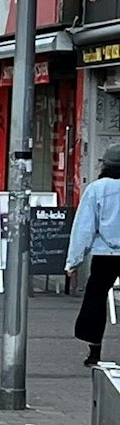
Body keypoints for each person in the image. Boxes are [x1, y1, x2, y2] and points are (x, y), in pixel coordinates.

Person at [68, 146, 120, 366]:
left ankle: (94, 352)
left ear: (105, 165)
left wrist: (74, 260)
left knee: (96, 299)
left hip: (104, 253)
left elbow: (84, 227)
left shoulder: (97, 189)